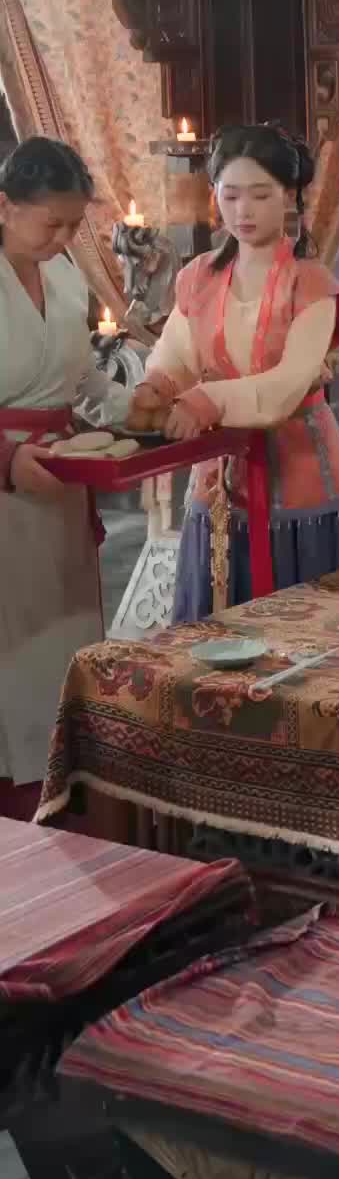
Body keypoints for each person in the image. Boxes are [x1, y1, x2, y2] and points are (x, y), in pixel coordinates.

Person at [131, 123, 339, 622]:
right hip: (217, 475)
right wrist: (157, 387)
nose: (243, 210)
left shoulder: (311, 283)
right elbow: (177, 354)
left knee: (309, 631)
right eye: (231, 194)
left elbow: (288, 384)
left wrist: (205, 401)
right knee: (214, 624)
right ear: (214, 195)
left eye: (260, 195)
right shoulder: (198, 276)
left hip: (302, 470)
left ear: (289, 196)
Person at [0, 138, 133, 816]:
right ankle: (15, 796)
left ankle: (67, 778)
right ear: (5, 206)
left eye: (73, 226)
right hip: (7, 487)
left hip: (60, 477)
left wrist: (140, 404)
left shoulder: (66, 279)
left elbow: (82, 380)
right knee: (14, 643)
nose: (61, 240)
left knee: (67, 632)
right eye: (50, 223)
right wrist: (6, 461)